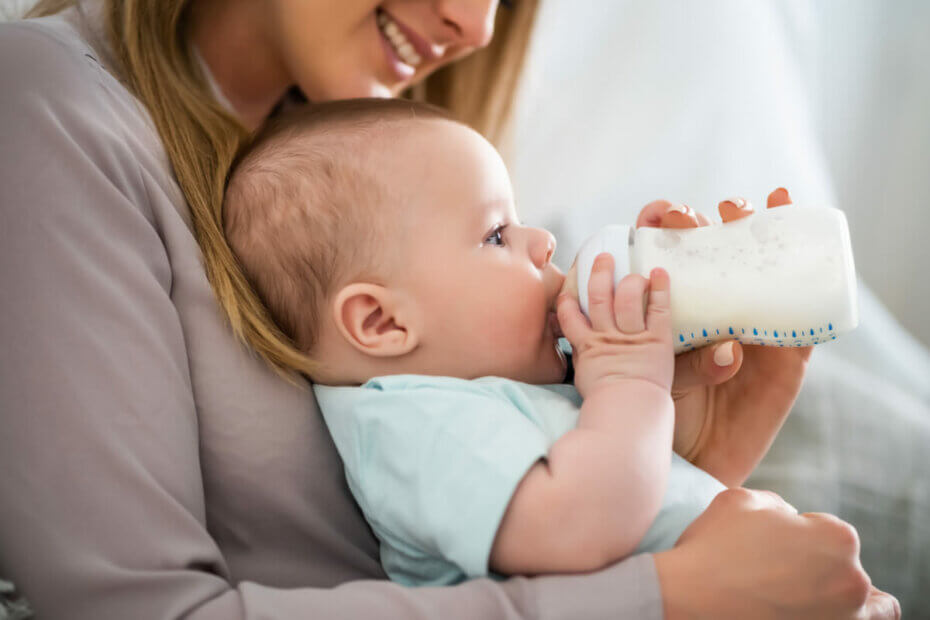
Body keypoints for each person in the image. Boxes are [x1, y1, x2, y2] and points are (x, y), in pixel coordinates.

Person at [0, 0, 900, 618]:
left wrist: (711, 441)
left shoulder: (372, 150)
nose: (474, 25)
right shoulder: (53, 109)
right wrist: (667, 598)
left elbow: (523, 533)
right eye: (499, 236)